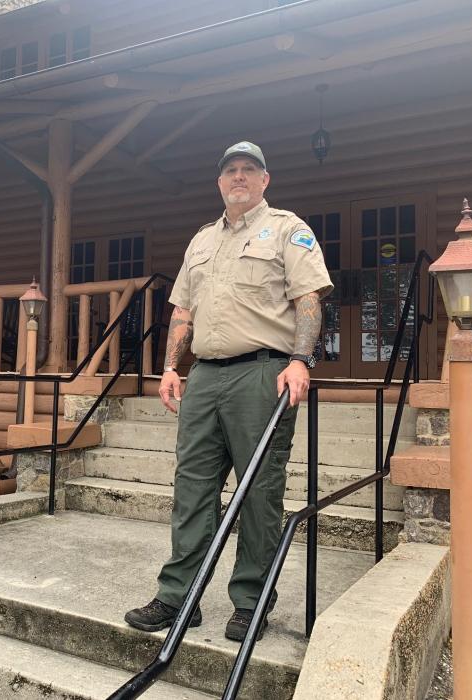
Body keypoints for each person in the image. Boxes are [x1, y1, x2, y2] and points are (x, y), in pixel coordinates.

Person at [124, 141, 333, 642]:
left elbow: (308, 300)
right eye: (230, 170)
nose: (238, 177)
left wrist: (300, 361)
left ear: (265, 180)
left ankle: (251, 601)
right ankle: (178, 597)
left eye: (249, 170)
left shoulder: (287, 229)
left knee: (259, 492)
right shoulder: (200, 241)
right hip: (205, 377)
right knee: (191, 489)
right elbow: (182, 312)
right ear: (219, 182)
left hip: (261, 374)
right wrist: (171, 367)